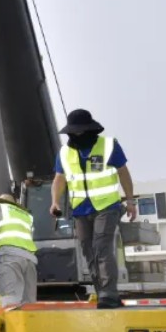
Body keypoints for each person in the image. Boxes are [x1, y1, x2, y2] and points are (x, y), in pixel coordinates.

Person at [50, 109, 137, 310]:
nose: (77, 134)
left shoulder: (108, 145)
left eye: (80, 131)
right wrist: (55, 202)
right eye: (74, 131)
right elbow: (59, 179)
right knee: (89, 252)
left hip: (107, 206)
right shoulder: (64, 152)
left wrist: (130, 201)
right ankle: (103, 293)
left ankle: (108, 294)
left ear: (90, 129)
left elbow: (123, 173)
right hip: (80, 209)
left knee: (102, 247)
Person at [0, 193, 38, 307]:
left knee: (10, 300)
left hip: (9, 257)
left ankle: (11, 319)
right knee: (29, 303)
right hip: (29, 260)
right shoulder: (26, 215)